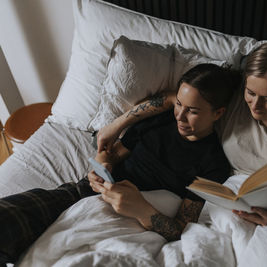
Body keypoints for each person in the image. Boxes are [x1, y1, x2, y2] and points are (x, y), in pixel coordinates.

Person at [96, 42, 267, 266]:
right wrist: (114, 126)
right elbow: (174, 99)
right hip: (225, 199)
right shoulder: (235, 100)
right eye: (251, 93)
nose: (256, 106)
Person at [0, 63, 238, 265]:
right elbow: (113, 155)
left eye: (193, 111)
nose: (180, 116)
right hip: (86, 193)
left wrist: (140, 209)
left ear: (218, 113)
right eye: (179, 105)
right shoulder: (160, 119)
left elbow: (182, 229)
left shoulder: (213, 164)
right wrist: (103, 159)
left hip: (136, 223)